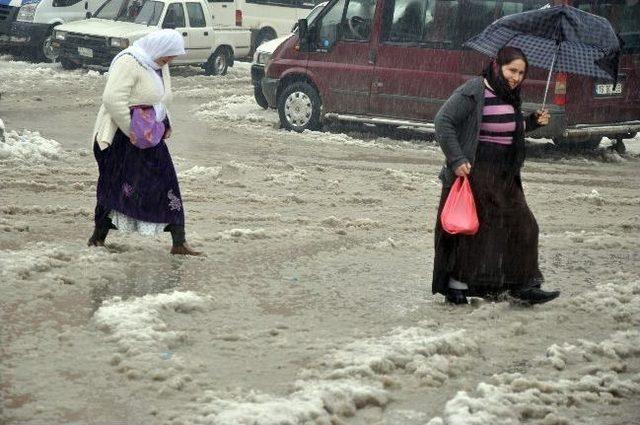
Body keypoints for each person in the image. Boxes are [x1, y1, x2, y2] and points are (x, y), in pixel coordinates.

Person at [432, 46, 559, 305]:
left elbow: (507, 128)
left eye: (521, 73)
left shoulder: (510, 95)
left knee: (523, 227)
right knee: (472, 231)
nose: (516, 77)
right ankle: (456, 287)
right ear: (497, 65)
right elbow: (443, 121)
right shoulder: (475, 89)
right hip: (474, 171)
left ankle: (523, 285)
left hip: (504, 174)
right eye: (512, 70)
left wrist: (532, 122)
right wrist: (457, 159)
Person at [88, 29, 201, 256]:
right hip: (121, 139)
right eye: (167, 56)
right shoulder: (129, 61)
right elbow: (112, 99)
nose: (168, 61)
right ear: (157, 48)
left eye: (172, 57)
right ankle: (97, 238)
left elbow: (160, 100)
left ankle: (179, 242)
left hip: (149, 137)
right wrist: (131, 129)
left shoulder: (158, 65)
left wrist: (165, 123)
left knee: (167, 184)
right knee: (115, 187)